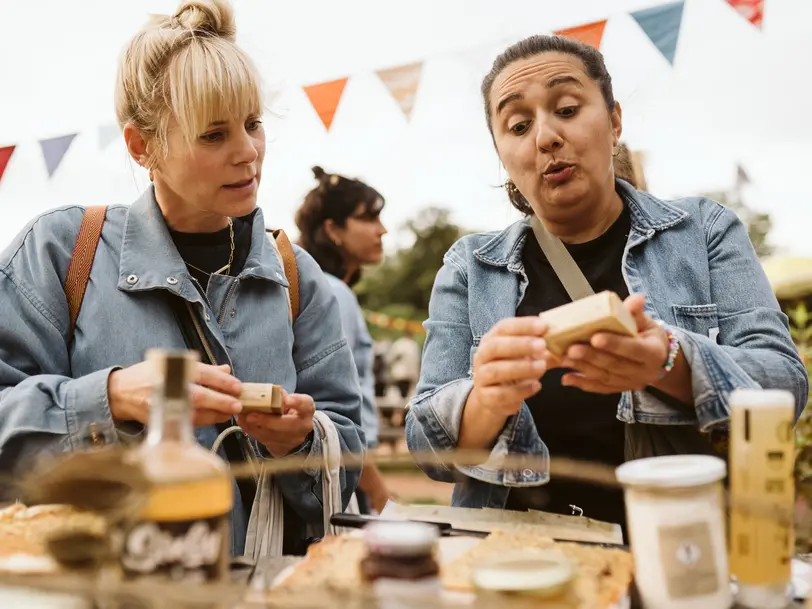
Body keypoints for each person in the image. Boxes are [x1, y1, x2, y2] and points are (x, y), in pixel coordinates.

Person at [0, 0, 364, 556]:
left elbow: (348, 459)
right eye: (214, 134)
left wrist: (302, 441)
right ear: (141, 146)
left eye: (253, 124)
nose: (248, 152)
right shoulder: (59, 252)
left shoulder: (297, 276)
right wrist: (112, 398)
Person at [405, 34, 808, 531]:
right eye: (518, 124)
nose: (546, 137)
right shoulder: (471, 266)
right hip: (514, 564)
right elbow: (426, 450)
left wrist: (669, 360)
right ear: (502, 154)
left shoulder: (703, 231)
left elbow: (786, 389)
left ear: (615, 121)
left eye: (568, 108)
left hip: (679, 549)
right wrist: (487, 400)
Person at [295, 166, 392, 513]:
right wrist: (378, 492)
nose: (382, 229)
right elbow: (337, 408)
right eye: (368, 218)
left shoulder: (316, 286)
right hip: (345, 473)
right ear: (332, 229)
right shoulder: (333, 294)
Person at [387, 331, 422, 399]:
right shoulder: (414, 345)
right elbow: (416, 362)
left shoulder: (398, 344)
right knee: (405, 396)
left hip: (399, 374)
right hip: (408, 375)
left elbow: (390, 359)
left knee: (398, 396)